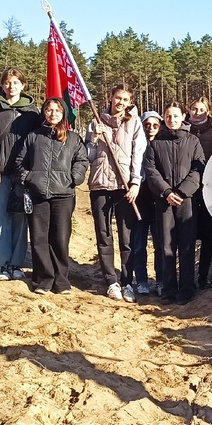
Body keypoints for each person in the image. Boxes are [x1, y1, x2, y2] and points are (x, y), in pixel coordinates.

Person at [12, 97, 89, 295]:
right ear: (44, 113)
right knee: (39, 238)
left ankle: (61, 280)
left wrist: (74, 178)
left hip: (63, 195)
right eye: (49, 109)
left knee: (60, 237)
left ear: (63, 113)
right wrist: (29, 178)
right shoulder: (33, 137)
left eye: (57, 110)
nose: (52, 113)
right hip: (38, 194)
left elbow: (81, 161)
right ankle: (43, 279)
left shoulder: (73, 138)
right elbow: (20, 162)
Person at [85, 84, 147, 303]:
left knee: (126, 236)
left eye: (124, 99)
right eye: (117, 97)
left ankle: (127, 281)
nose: (119, 102)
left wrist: (135, 183)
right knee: (104, 234)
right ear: (110, 98)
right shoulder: (96, 121)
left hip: (124, 187)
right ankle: (111, 281)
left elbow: (138, 154)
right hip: (100, 184)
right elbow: (89, 156)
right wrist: (94, 138)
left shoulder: (134, 123)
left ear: (129, 102)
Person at [143, 102, 206, 303]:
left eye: (176, 116)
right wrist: (167, 192)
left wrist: (182, 191)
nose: (172, 120)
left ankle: (187, 288)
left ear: (182, 118)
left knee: (187, 245)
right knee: (166, 246)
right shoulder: (155, 144)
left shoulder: (193, 141)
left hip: (186, 201)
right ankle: (169, 289)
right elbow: (151, 171)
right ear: (164, 119)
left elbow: (198, 168)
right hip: (164, 202)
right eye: (168, 117)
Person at [0, 69, 38, 281]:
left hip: (22, 174)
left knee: (20, 218)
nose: (11, 86)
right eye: (8, 82)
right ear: (2, 85)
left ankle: (15, 263)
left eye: (16, 82)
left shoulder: (33, 112)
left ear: (23, 85)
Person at [186, 98, 212, 289]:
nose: (197, 112)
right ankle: (186, 276)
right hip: (186, 189)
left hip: (209, 190)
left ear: (207, 112)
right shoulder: (182, 131)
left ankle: (203, 277)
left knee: (208, 235)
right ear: (189, 110)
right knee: (188, 233)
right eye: (194, 109)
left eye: (201, 109)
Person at [129, 111, 164, 295]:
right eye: (147, 124)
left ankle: (160, 280)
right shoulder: (137, 142)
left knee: (160, 243)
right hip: (140, 197)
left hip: (158, 199)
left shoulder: (164, 143)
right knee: (139, 243)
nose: (151, 128)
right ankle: (141, 280)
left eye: (155, 124)